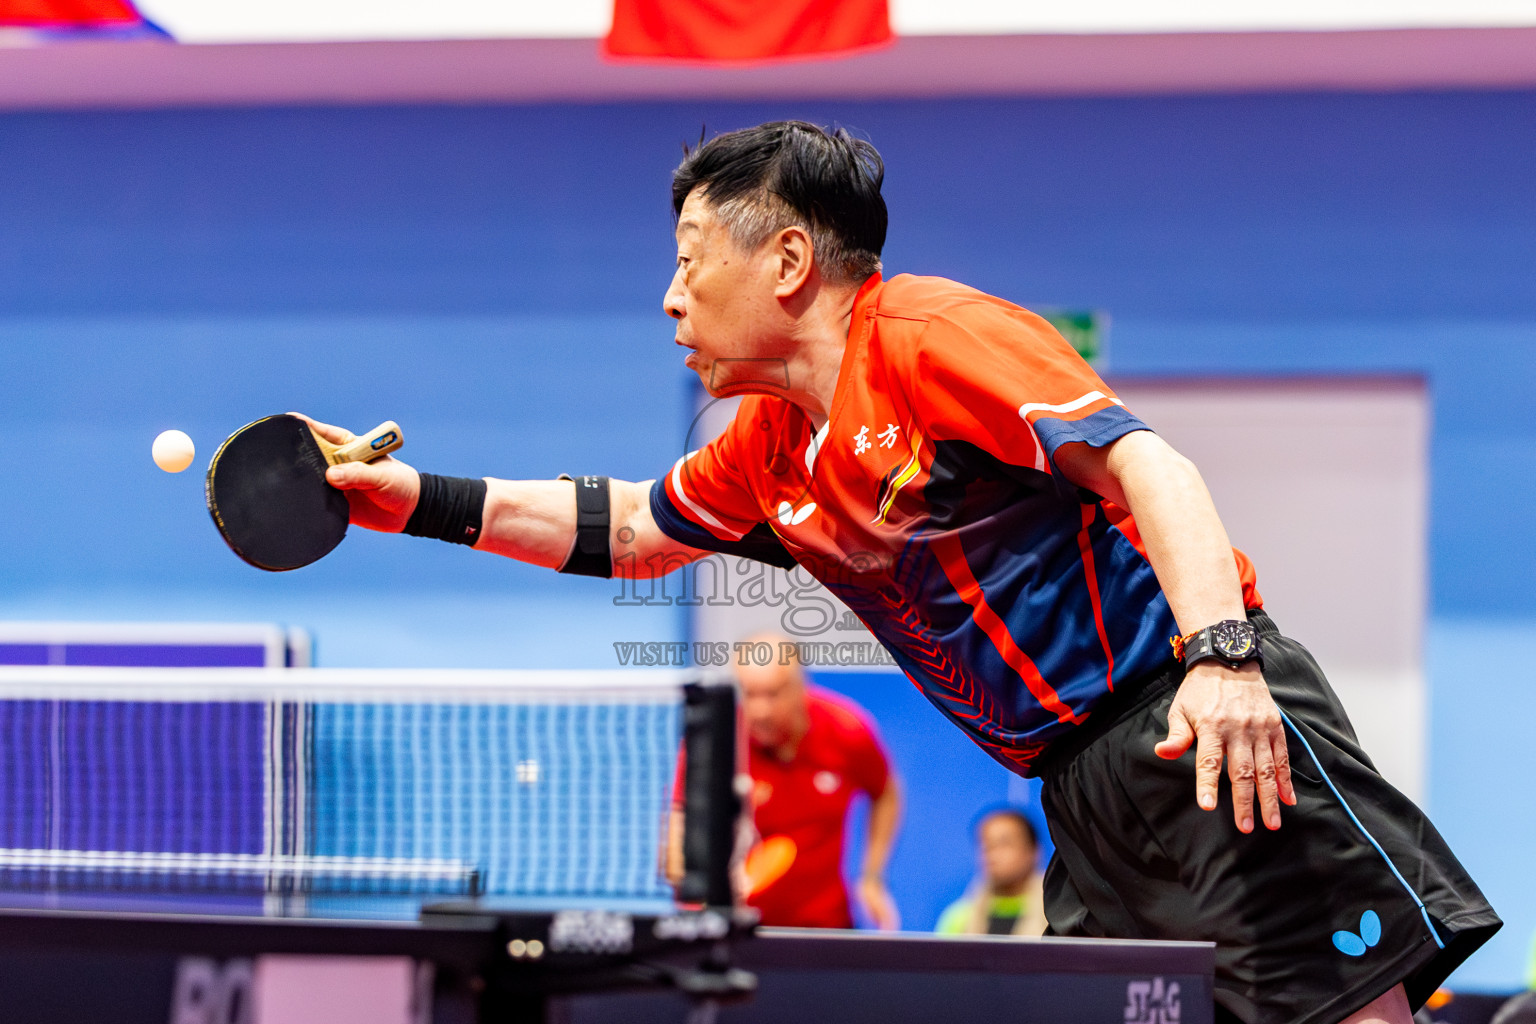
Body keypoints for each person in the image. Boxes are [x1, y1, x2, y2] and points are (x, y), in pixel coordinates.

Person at [301, 119, 1499, 1024]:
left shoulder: (929, 337)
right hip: (1078, 785)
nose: (669, 299)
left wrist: (1223, 659)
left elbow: (1151, 464)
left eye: (689, 260)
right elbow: (626, 529)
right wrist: (412, 503)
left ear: (785, 259)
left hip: (1191, 723)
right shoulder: (768, 450)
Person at [727, 632, 902, 929]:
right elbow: (683, 818)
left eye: (771, 694)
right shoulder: (719, 740)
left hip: (827, 925)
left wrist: (872, 876)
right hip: (742, 925)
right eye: (749, 694)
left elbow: (885, 792)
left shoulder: (846, 730)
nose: (760, 711)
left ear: (799, 686)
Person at [935, 806, 1046, 937]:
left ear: (1033, 850)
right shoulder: (960, 917)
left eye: (1004, 844)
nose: (993, 855)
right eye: (987, 846)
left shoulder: (1055, 916)